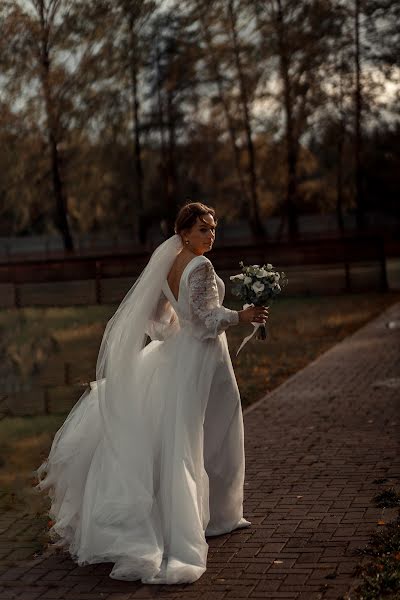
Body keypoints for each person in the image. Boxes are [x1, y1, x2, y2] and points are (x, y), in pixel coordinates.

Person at [35, 202, 269, 585]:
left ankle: (197, 512)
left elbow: (156, 317)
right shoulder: (202, 266)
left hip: (179, 356)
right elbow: (209, 320)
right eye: (203, 230)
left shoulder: (167, 264)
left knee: (181, 434)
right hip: (205, 360)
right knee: (215, 430)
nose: (211, 235)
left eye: (213, 228)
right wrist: (242, 316)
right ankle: (218, 516)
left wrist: (176, 335)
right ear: (185, 233)